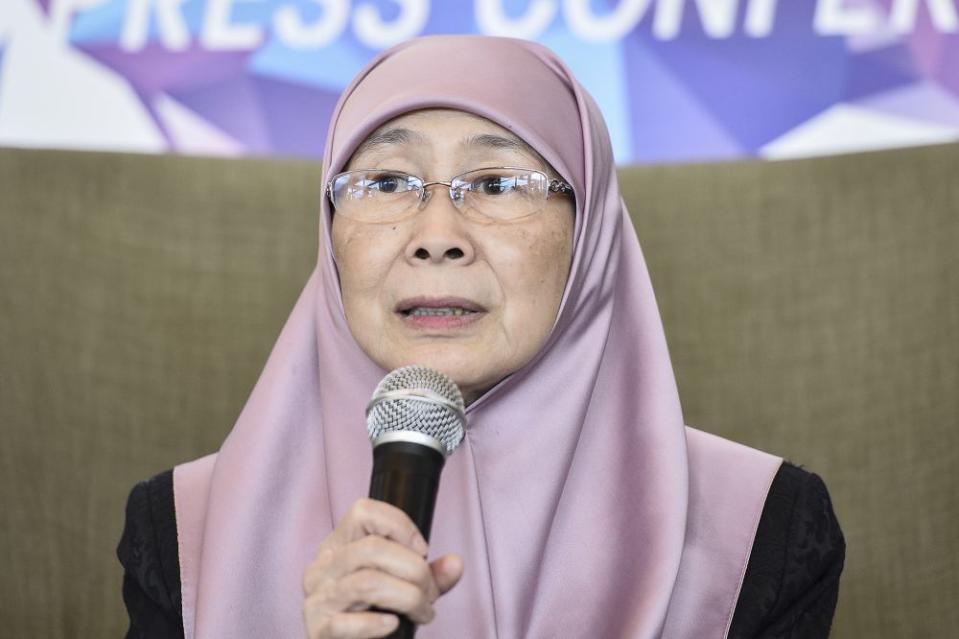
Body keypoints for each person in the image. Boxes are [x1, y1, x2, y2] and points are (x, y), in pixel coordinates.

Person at [118, 35, 844, 638]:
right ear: (330, 235)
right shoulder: (183, 529)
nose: (436, 237)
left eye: (496, 184)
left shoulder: (762, 526)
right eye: (386, 182)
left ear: (588, 234)